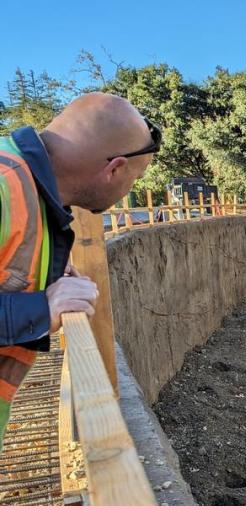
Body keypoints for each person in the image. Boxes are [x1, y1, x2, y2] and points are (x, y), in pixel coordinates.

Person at [0, 92, 160, 447]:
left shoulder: (34, 196)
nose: (131, 188)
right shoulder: (4, 182)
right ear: (115, 168)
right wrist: (42, 308)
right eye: (136, 177)